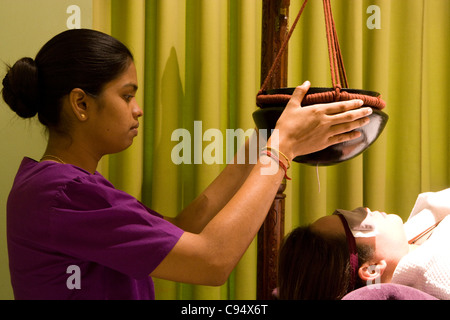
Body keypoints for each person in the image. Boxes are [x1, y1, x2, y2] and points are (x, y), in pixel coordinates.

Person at [2, 29, 372, 300]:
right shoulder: (64, 193)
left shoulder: (71, 185)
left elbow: (182, 229)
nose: (137, 109)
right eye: (126, 95)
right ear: (81, 104)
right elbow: (211, 262)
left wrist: (261, 144)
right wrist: (280, 151)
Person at [277, 188, 450, 300]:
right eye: (354, 222)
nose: (364, 210)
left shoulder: (406, 240)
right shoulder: (439, 274)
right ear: (371, 269)